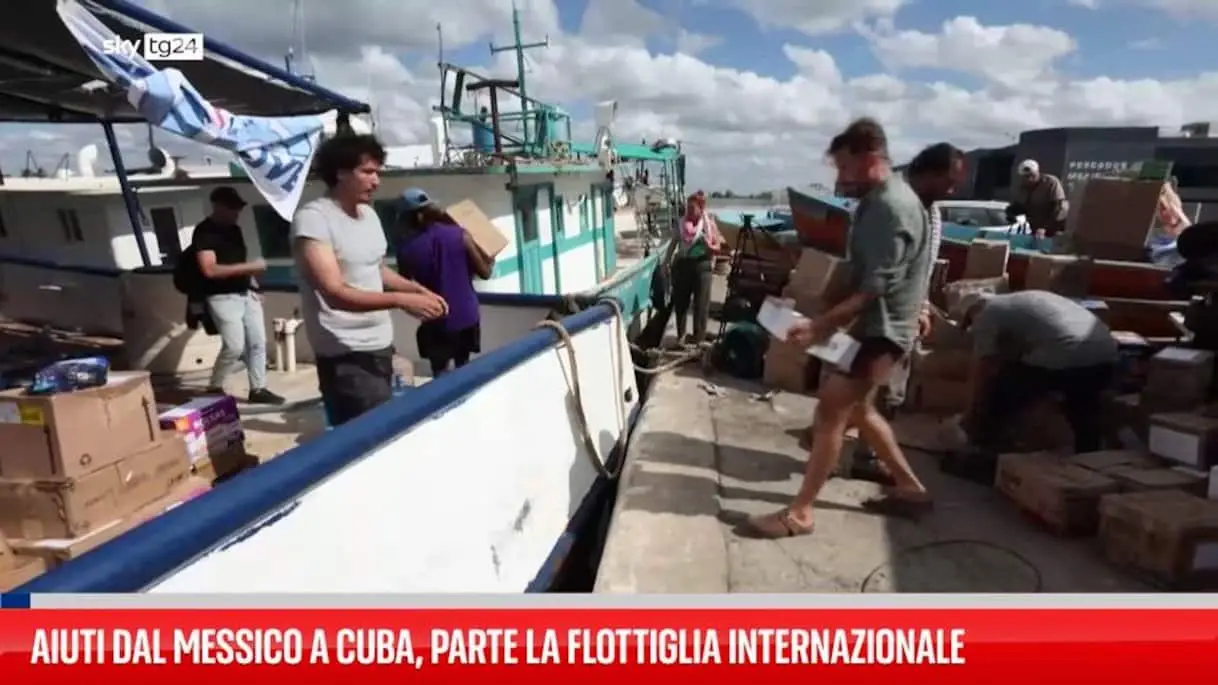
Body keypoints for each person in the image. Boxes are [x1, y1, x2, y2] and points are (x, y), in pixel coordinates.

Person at [747, 118, 932, 538]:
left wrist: (820, 326)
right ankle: (911, 488)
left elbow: (873, 288)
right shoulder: (871, 203)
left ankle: (801, 513)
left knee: (830, 409)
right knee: (860, 410)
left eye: (845, 167)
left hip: (883, 330)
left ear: (871, 158)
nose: (840, 177)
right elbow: (854, 270)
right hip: (870, 326)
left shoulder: (891, 208)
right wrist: (809, 311)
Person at [292, 134, 449, 427]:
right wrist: (401, 300)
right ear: (340, 172)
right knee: (372, 435)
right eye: (367, 172)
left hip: (380, 345)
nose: (376, 181)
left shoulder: (368, 215)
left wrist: (417, 290)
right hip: (346, 355)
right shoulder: (314, 220)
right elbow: (334, 292)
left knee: (385, 428)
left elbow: (375, 269)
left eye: (378, 172)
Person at [849, 142, 965, 484]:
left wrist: (922, 307)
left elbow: (922, 269)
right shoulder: (891, 205)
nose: (952, 191)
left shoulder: (930, 211)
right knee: (878, 392)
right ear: (928, 173)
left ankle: (832, 437)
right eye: (948, 182)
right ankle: (869, 459)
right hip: (882, 317)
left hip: (900, 315)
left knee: (868, 392)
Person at [954, 290, 1117, 455]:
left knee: (1001, 387)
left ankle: (987, 449)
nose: (973, 328)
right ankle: (1090, 457)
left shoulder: (987, 313)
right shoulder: (1025, 299)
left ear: (973, 310)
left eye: (970, 322)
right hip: (1106, 355)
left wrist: (971, 413)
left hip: (1067, 355)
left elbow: (983, 368)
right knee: (1083, 410)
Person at [191, 186, 285, 404]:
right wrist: (251, 267)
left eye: (238, 208)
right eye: (232, 208)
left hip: (245, 293)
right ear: (218, 206)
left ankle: (258, 388)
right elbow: (209, 270)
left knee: (258, 342)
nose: (236, 212)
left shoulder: (235, 230)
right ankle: (215, 386)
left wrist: (254, 286)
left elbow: (238, 263)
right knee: (234, 346)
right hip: (222, 297)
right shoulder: (204, 232)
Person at [395, 187, 494, 376]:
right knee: (463, 367)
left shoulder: (406, 249)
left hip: (434, 317)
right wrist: (490, 258)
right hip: (466, 315)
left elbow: (405, 286)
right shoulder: (460, 235)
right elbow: (485, 273)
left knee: (439, 373)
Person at [671, 193, 722, 345]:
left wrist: (709, 246)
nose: (689, 211)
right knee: (681, 303)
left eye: (692, 208)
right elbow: (673, 244)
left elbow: (718, 248)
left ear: (701, 209)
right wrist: (666, 263)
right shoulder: (681, 224)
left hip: (702, 266)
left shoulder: (709, 225)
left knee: (701, 305)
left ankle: (698, 339)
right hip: (683, 265)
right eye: (688, 207)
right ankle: (681, 336)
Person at [1012, 160, 1068, 239]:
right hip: (1033, 230)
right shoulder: (1023, 188)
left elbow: (1059, 207)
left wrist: (1046, 228)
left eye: (1032, 175)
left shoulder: (1050, 182)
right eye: (1026, 176)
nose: (1030, 179)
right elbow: (1020, 208)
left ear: (1037, 172)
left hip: (1052, 229)